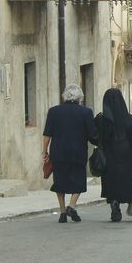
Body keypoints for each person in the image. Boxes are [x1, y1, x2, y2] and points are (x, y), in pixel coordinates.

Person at [43, 84, 97, 223]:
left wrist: (45, 151)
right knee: (78, 180)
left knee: (59, 181)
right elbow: (93, 134)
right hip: (78, 152)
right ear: (80, 98)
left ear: (64, 96)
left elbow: (47, 134)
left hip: (58, 152)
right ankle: (71, 206)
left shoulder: (53, 111)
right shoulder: (85, 112)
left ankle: (62, 212)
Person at [95, 88, 132, 222]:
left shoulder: (101, 120)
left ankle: (114, 201)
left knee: (111, 181)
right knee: (124, 181)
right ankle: (121, 200)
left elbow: (94, 137)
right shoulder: (128, 119)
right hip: (126, 155)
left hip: (108, 155)